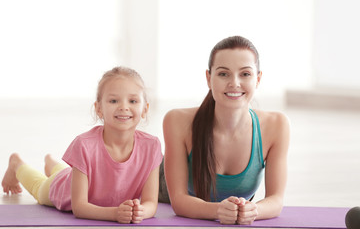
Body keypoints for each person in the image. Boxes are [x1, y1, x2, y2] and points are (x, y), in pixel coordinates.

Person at [2, 66, 163, 224]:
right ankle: (17, 164)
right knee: (40, 188)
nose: (124, 107)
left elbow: (150, 203)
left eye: (133, 101)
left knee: (67, 173)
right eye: (114, 100)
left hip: (75, 177)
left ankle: (51, 163)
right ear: (99, 109)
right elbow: (79, 207)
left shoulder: (152, 146)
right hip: (63, 190)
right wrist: (114, 213)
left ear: (145, 109)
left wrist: (140, 212)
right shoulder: (84, 145)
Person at [163, 36, 290, 225]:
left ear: (258, 79)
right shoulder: (176, 121)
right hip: (160, 185)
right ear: (208, 78)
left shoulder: (277, 125)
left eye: (245, 74)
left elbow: (276, 201)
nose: (234, 83)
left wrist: (254, 210)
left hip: (230, 210)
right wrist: (218, 210)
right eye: (223, 74)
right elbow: (179, 201)